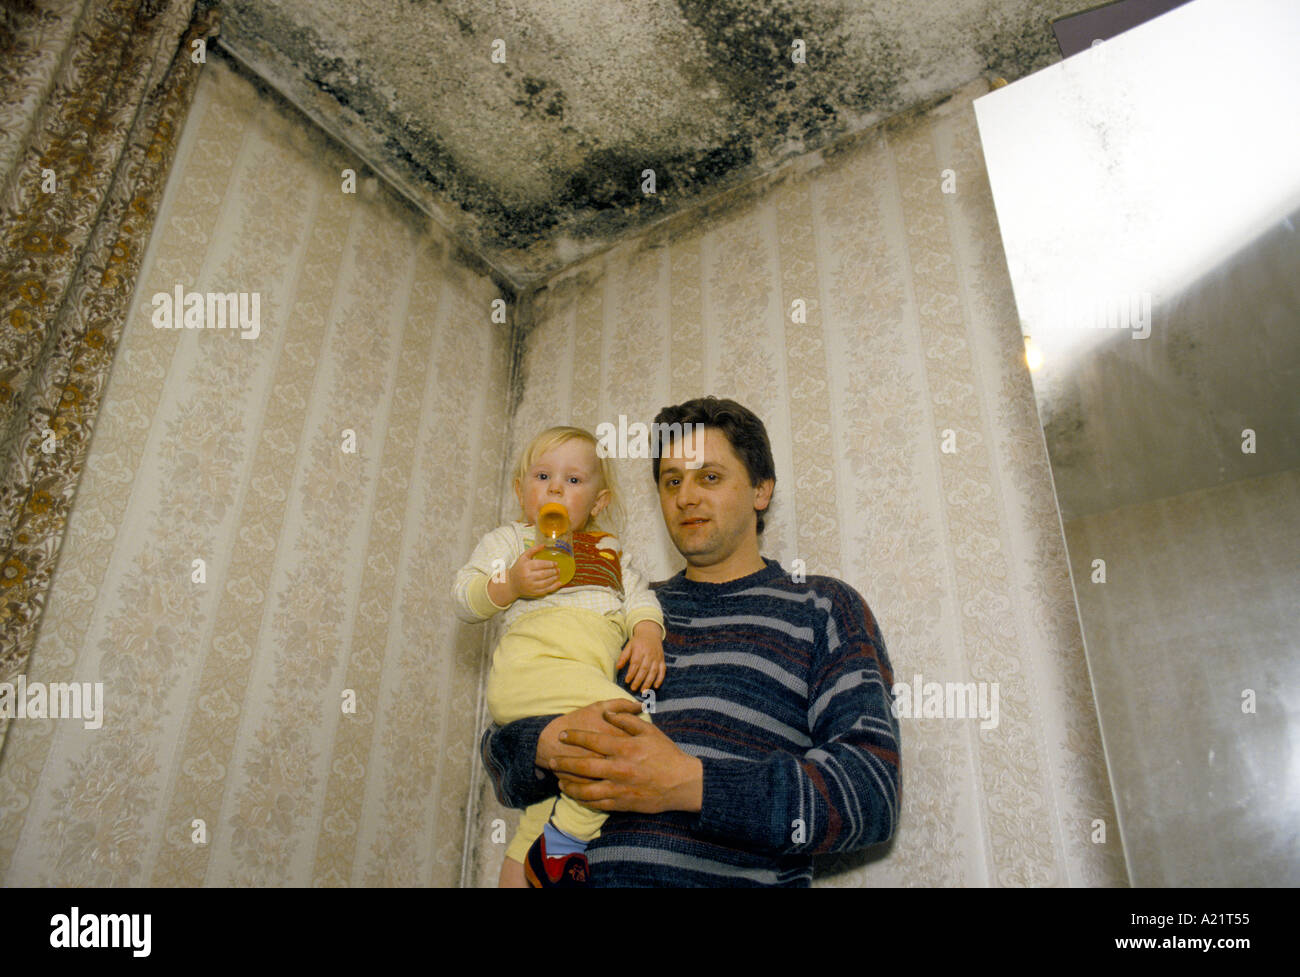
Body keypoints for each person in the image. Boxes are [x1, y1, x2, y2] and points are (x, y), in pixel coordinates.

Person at [480, 397, 901, 887]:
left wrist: (688, 784)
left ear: (761, 490)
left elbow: (870, 792)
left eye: (710, 477)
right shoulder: (620, 609)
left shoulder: (822, 607)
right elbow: (500, 751)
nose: (686, 497)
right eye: (672, 481)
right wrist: (544, 745)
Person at [453, 426, 666, 887]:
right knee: (631, 729)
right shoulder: (512, 542)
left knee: (547, 799)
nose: (554, 488)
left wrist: (647, 633)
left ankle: (533, 859)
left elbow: (642, 600)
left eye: (573, 480)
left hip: (575, 691)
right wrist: (508, 584)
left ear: (599, 502)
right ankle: (566, 843)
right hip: (529, 676)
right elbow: (464, 597)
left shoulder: (611, 553)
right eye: (543, 475)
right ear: (520, 491)